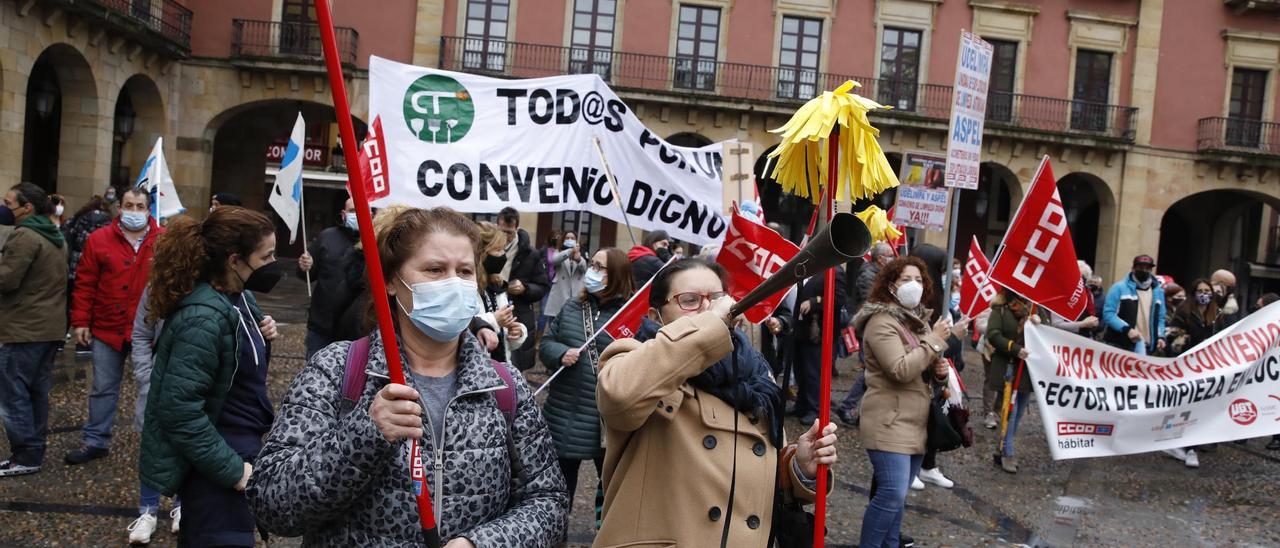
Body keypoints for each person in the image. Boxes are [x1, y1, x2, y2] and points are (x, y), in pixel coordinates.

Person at [248, 207, 569, 546]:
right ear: (390, 280)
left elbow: (549, 501)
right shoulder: (336, 370)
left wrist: (482, 543)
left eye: (464, 271)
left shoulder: (505, 387)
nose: (453, 284)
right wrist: (364, 434)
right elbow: (271, 503)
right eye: (434, 269)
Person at [594, 258, 838, 547]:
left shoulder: (755, 375)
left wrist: (797, 468)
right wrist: (709, 326)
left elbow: (753, 479)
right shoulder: (631, 357)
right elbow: (621, 396)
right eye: (689, 300)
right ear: (656, 315)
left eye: (717, 299)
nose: (708, 308)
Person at [139, 207, 283, 545]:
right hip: (218, 466)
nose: (275, 263)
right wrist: (234, 473)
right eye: (268, 255)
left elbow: (238, 371)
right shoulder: (203, 318)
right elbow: (180, 412)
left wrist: (263, 338)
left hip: (239, 451)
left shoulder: (243, 298)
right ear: (235, 260)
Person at [855, 256, 962, 547]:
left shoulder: (917, 323)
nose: (913, 285)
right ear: (891, 286)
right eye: (905, 279)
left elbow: (923, 369)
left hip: (916, 423)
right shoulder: (881, 323)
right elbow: (900, 369)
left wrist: (938, 373)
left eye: (918, 279)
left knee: (898, 499)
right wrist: (936, 342)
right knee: (891, 494)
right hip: (889, 421)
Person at [64, 188, 164, 466]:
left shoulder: (163, 241)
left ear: (148, 209)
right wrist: (81, 320)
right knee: (103, 387)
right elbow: (84, 282)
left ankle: (154, 443)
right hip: (107, 327)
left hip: (149, 330)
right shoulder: (99, 239)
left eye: (139, 205)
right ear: (119, 207)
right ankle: (96, 440)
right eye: (129, 205)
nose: (134, 211)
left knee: (153, 387)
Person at [539, 247, 634, 519]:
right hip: (564, 412)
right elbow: (546, 344)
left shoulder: (628, 316)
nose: (592, 271)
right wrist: (559, 353)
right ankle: (556, 529)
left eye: (601, 267)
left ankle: (608, 533)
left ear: (616, 274)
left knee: (612, 484)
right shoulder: (572, 306)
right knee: (559, 484)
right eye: (592, 264)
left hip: (605, 419)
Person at [0, 183, 68, 477]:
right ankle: (33, 451)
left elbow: (6, 280)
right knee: (36, 392)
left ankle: (25, 454)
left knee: (14, 394)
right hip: (48, 327)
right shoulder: (54, 234)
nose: (4, 207)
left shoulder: (26, 236)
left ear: (27, 207)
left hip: (23, 327)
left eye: (8, 202)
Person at [127, 286, 182, 542]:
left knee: (188, 443)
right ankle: (147, 511)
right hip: (157, 383)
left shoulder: (213, 282)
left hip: (192, 382)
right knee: (152, 444)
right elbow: (140, 334)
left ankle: (182, 504)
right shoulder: (156, 287)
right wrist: (146, 379)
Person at [1160, 278, 1228, 468]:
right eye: (1200, 290)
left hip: (1210, 366)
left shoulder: (1218, 314)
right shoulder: (1184, 310)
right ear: (1194, 292)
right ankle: (1175, 441)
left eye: (1207, 290)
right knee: (1183, 405)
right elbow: (1172, 335)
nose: (1204, 294)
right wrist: (1185, 340)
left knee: (1201, 407)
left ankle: (1192, 449)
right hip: (1187, 365)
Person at [986, 289, 1049, 474]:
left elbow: (1047, 332)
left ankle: (1002, 447)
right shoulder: (1001, 310)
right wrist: (1015, 349)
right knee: (1010, 412)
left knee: (1019, 410)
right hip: (1010, 366)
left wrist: (1039, 323)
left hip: (1028, 370)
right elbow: (994, 335)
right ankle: (1008, 452)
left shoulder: (1036, 309)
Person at [296, 197, 365, 359]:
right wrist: (305, 266)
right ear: (343, 214)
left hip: (355, 328)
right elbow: (307, 275)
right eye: (353, 211)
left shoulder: (374, 240)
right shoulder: (327, 237)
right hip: (322, 325)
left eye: (361, 210)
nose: (357, 214)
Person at [835, 243, 894, 428]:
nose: (893, 258)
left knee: (872, 371)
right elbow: (875, 300)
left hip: (877, 327)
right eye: (890, 255)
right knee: (870, 371)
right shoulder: (868, 274)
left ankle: (862, 410)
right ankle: (848, 406)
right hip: (869, 328)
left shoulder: (881, 274)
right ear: (880, 258)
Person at [791, 264, 848, 426]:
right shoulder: (812, 269)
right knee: (801, 371)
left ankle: (815, 409)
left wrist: (815, 302)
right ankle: (802, 405)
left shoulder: (835, 271)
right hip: (803, 330)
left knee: (814, 373)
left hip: (819, 333)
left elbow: (839, 298)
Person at [496, 206, 549, 371]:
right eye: (501, 231)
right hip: (493, 312)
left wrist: (525, 288)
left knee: (515, 367)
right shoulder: (489, 249)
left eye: (509, 233)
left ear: (517, 229)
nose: (505, 237)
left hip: (519, 314)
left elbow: (542, 286)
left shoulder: (530, 254)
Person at [474, 220, 529, 364]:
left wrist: (517, 332)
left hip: (500, 364)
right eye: (498, 250)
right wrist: (494, 320)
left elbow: (503, 336)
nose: (502, 255)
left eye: (503, 249)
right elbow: (461, 328)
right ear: (481, 254)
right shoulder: (467, 286)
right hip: (476, 366)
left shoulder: (497, 285)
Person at [1102, 255, 1166, 355]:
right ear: (1133, 268)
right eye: (1140, 267)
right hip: (1121, 345)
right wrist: (1127, 330)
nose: (1144, 270)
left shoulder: (1158, 291)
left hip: (1147, 347)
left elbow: (1160, 318)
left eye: (1148, 268)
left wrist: (1160, 336)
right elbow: (1109, 314)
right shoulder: (1119, 287)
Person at [542, 230, 587, 333]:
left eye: (572, 238)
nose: (570, 240)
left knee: (572, 327)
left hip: (575, 294)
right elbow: (554, 260)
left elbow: (584, 268)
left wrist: (578, 258)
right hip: (560, 293)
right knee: (555, 327)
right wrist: (569, 251)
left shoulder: (581, 252)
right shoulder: (559, 252)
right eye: (567, 238)